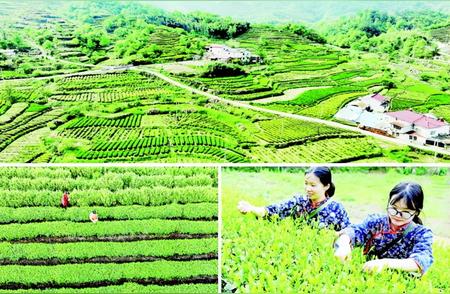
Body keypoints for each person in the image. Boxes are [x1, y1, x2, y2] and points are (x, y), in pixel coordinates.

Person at [334, 182, 433, 275]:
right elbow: (356, 231)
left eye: (406, 211)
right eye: (393, 208)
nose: (397, 215)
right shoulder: (376, 222)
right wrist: (343, 244)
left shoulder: (422, 233)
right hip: (367, 274)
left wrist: (384, 263)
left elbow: (421, 260)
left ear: (416, 212)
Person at [237, 167, 350, 231]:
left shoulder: (336, 208)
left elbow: (347, 233)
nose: (308, 188)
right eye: (306, 184)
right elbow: (273, 210)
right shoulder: (299, 202)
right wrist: (251, 208)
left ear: (326, 186)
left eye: (313, 185)